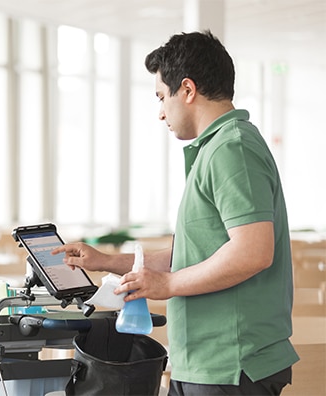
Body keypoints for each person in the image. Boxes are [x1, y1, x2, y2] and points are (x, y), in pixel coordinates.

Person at [51, 30, 299, 395]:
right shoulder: (216, 149)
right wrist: (105, 260)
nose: (161, 113)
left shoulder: (232, 149)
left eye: (162, 97)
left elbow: (253, 251)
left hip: (230, 365)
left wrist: (166, 286)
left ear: (187, 89)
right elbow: (189, 256)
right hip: (203, 361)